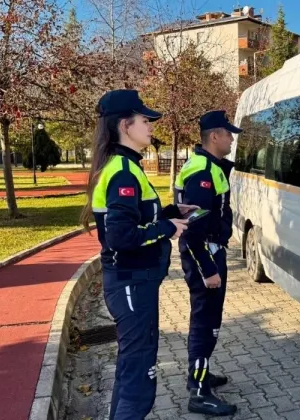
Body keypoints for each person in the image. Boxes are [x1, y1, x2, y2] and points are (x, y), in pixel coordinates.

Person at [79, 89, 197, 420]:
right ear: (125, 125)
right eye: (145, 120)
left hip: (136, 281)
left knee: (135, 365)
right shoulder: (123, 172)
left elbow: (135, 220)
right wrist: (167, 228)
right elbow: (121, 236)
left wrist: (173, 212)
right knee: (138, 372)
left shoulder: (126, 167)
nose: (151, 126)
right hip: (131, 281)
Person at [175, 110, 240, 416]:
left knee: (207, 320)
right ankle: (199, 391)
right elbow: (193, 230)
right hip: (206, 255)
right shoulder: (201, 171)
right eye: (228, 133)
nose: (231, 138)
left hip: (211, 251)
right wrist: (209, 270)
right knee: (206, 324)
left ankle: (200, 375)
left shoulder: (207, 165)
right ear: (214, 136)